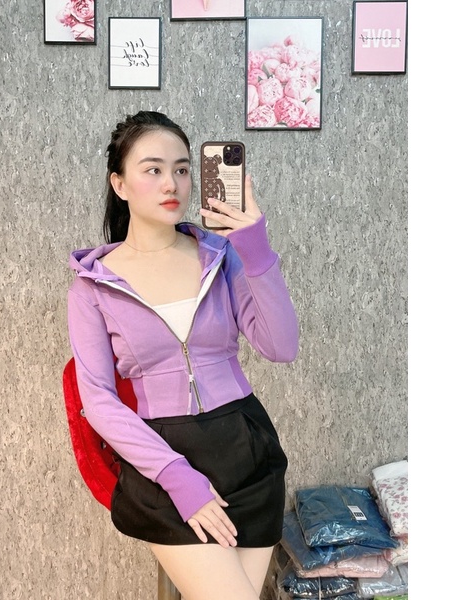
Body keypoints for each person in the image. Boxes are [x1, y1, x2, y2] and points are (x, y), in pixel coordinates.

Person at [67, 110, 299, 600]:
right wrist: (177, 477)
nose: (171, 183)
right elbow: (99, 401)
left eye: (182, 168)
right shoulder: (93, 287)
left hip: (247, 449)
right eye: (152, 169)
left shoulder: (221, 256)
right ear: (119, 184)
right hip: (163, 459)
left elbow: (281, 346)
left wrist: (255, 248)